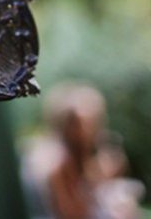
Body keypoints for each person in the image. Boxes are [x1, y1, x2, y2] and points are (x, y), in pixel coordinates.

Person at [21, 83, 143, 219]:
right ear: (64, 124)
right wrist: (101, 181)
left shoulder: (73, 155)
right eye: (80, 124)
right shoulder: (57, 161)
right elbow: (73, 214)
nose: (87, 132)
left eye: (92, 123)